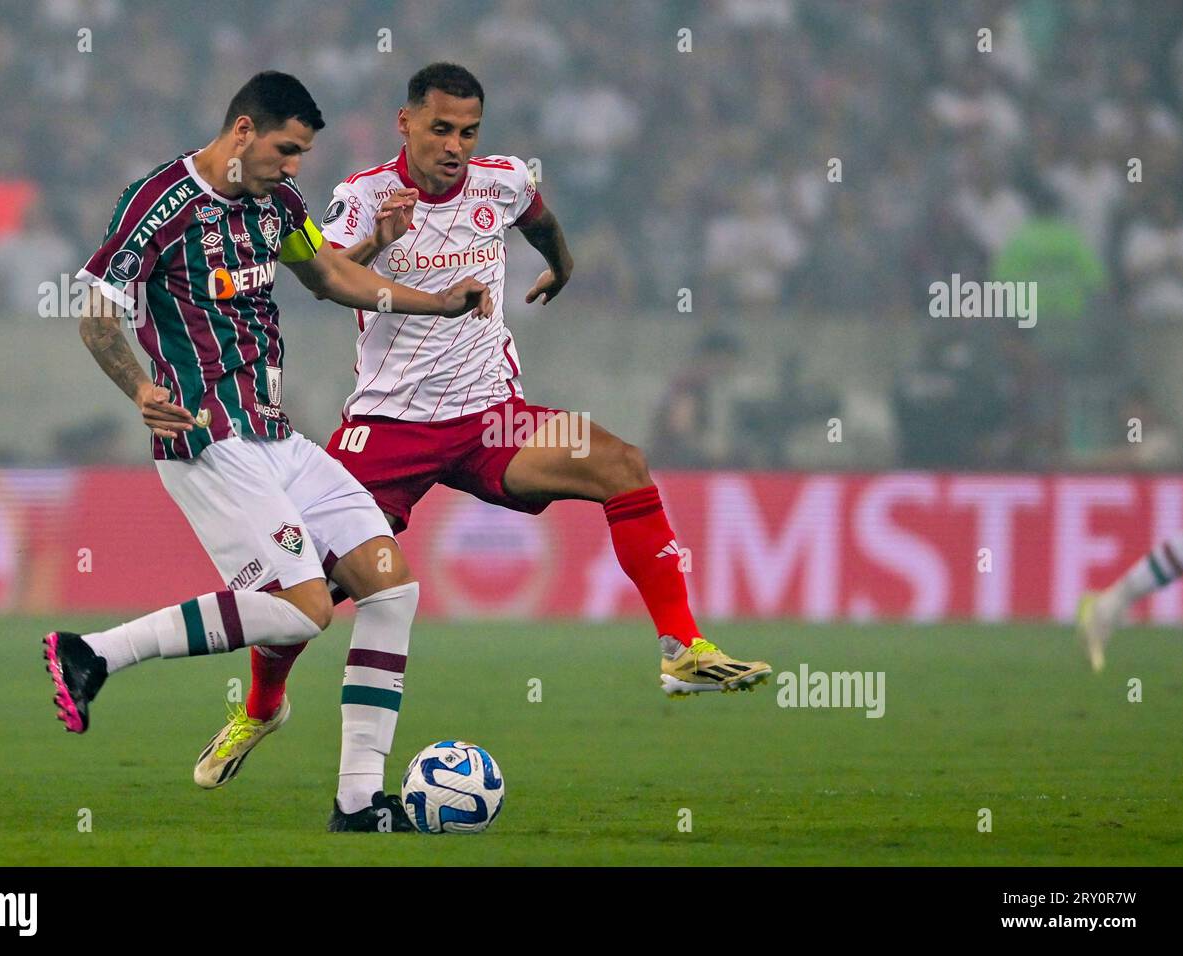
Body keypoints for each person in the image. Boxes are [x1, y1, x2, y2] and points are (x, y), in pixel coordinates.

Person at [197, 64, 771, 809]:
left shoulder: (501, 181)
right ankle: (261, 707)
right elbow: (324, 273)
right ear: (406, 123)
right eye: (440, 129)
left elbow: (539, 218)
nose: (456, 146)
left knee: (622, 465)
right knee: (312, 587)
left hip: (489, 420)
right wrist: (378, 240)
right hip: (388, 428)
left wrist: (561, 267)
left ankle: (680, 648)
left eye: (468, 132)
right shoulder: (366, 195)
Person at [47, 71, 492, 832]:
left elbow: (326, 274)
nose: (294, 168)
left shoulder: (279, 205)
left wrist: (437, 301)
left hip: (277, 436)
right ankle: (90, 652)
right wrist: (137, 390)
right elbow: (95, 316)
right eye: (287, 149)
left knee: (391, 588)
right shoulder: (159, 202)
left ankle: (357, 803)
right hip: (204, 439)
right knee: (305, 610)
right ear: (244, 130)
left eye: (304, 155)